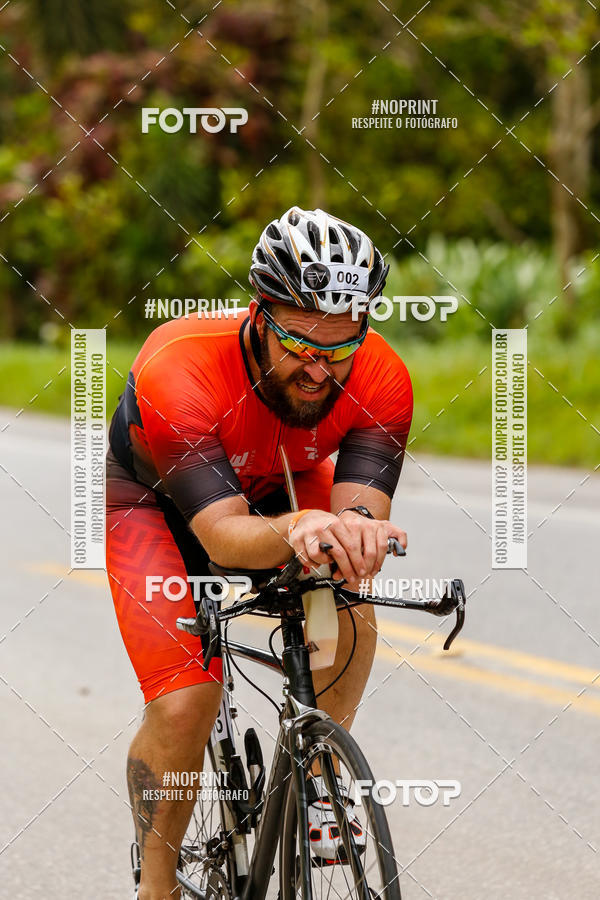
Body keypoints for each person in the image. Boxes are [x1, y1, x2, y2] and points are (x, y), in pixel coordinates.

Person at [106, 206, 413, 899]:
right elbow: (220, 536)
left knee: (346, 587)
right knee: (186, 704)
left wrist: (358, 532)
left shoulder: (383, 376)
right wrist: (297, 527)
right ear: (259, 313)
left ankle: (319, 774)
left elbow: (359, 509)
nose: (320, 369)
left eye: (341, 345)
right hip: (157, 503)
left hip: (280, 483)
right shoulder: (180, 363)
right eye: (299, 342)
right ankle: (157, 886)